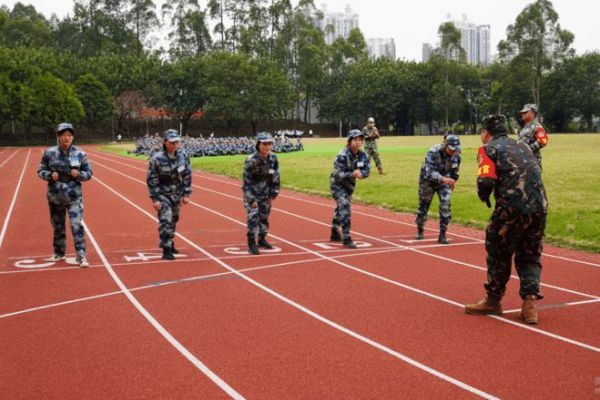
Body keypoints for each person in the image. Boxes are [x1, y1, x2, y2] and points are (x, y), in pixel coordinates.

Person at [465, 114, 548, 324]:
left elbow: (485, 181)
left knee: (497, 248)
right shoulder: (523, 145)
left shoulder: (488, 149)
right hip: (539, 206)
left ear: (486, 133)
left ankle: (493, 300)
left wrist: (484, 197)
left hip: (512, 207)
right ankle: (530, 304)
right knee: (530, 253)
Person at [38, 122, 93, 268]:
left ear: (73, 137)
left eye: (69, 135)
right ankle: (59, 252)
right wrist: (50, 175)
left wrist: (79, 174)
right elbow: (40, 171)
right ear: (58, 137)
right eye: (63, 135)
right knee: (58, 226)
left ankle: (81, 255)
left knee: (76, 225)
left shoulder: (80, 154)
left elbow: (89, 174)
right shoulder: (49, 153)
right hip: (55, 195)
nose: (66, 138)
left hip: (74, 195)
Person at [146, 129, 192, 260]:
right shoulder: (157, 159)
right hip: (162, 194)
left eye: (176, 142)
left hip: (176, 194)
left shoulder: (183, 156)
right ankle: (166, 248)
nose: (174, 145)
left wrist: (186, 194)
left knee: (173, 220)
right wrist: (155, 199)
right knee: (166, 220)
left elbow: (187, 175)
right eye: (171, 142)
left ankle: (170, 242)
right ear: (165, 142)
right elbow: (152, 179)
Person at [415, 134, 461, 244]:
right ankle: (420, 229)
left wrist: (452, 181)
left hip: (444, 181)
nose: (453, 152)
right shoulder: (433, 152)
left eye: (456, 149)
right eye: (451, 149)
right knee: (424, 205)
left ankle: (443, 234)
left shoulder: (457, 155)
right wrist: (444, 179)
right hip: (427, 181)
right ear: (446, 145)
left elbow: (455, 172)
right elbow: (429, 172)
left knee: (445, 204)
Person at [330, 129, 371, 249]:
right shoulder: (342, 155)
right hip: (337, 184)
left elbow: (367, 170)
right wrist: (352, 174)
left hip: (349, 186)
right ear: (349, 141)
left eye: (360, 140)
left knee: (341, 207)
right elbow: (337, 174)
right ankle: (346, 237)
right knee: (345, 207)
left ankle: (334, 231)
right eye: (355, 140)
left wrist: (361, 174)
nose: (358, 142)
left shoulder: (362, 155)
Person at [242, 132, 281, 255]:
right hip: (252, 194)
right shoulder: (251, 161)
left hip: (266, 194)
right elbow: (246, 183)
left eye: (269, 144)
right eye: (264, 144)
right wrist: (251, 199)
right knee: (253, 217)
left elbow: (276, 176)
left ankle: (262, 239)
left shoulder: (273, 159)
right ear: (258, 144)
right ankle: (252, 242)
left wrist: (273, 194)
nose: (267, 147)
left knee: (264, 218)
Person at [518, 103, 548, 167]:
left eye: (525, 112)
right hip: (523, 160)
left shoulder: (537, 126)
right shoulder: (524, 127)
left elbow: (543, 141)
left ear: (532, 114)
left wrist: (528, 149)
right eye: (522, 113)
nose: (522, 114)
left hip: (533, 161)